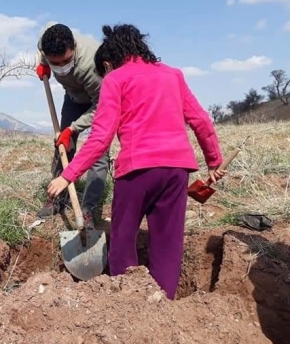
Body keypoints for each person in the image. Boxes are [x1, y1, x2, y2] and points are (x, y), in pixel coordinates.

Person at [47, 23, 226, 300]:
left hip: (136, 172)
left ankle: (127, 305)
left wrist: (67, 174)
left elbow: (101, 137)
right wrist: (214, 161)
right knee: (167, 243)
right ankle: (162, 303)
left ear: (107, 64)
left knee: (122, 239)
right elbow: (201, 120)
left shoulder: (115, 80)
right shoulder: (173, 75)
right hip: (177, 172)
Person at [35, 22, 109, 224]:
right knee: (63, 146)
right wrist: (44, 63)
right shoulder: (45, 43)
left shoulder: (93, 64)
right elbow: (43, 51)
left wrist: (74, 128)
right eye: (54, 63)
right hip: (73, 98)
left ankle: (88, 210)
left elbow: (102, 106)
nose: (61, 67)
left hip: (99, 101)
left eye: (65, 61)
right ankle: (57, 198)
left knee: (98, 155)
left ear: (74, 46)